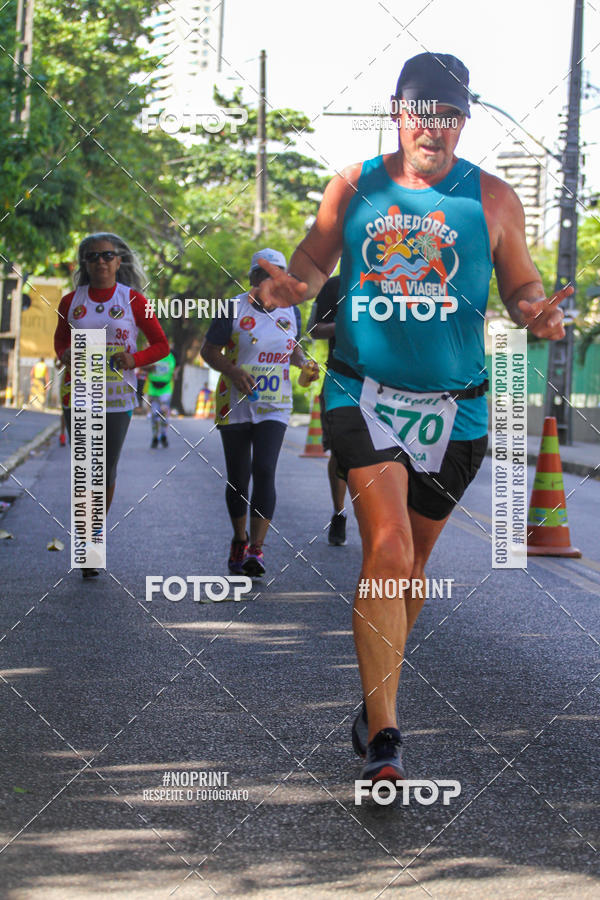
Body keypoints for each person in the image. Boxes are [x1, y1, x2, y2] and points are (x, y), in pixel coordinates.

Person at [250, 53, 570, 786]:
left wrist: (536, 314)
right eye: (423, 111)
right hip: (364, 394)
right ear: (397, 110)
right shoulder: (355, 185)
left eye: (450, 114)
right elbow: (311, 262)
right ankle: (388, 735)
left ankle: (373, 698)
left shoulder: (492, 198)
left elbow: (521, 286)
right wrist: (290, 286)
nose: (435, 127)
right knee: (388, 549)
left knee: (414, 568)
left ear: (464, 119)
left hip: (458, 408)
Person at [54, 232, 169, 578]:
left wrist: (134, 359)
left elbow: (161, 345)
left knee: (106, 468)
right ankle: (87, 542)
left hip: (117, 397)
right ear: (84, 264)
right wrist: (65, 354)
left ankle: (94, 534)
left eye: (107, 255)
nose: (100, 261)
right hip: (78, 393)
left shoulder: (134, 300)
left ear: (119, 261)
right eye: (93, 256)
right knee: (85, 468)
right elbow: (60, 342)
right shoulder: (69, 301)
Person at [201, 248, 319, 577]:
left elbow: (292, 348)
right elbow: (208, 351)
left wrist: (306, 364)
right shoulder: (231, 309)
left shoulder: (291, 311)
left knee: (264, 469)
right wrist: (234, 371)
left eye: (277, 273)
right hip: (234, 403)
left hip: (275, 404)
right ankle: (239, 539)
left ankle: (256, 548)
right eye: (263, 274)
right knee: (239, 477)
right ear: (252, 278)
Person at [308, 275, 348, 545]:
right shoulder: (334, 286)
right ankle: (339, 513)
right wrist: (346, 326)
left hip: (387, 381)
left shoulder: (398, 283)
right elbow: (314, 329)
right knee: (341, 451)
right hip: (342, 378)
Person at [146, 346, 178, 447]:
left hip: (166, 388)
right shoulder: (151, 353)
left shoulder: (171, 355)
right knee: (154, 415)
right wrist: (149, 367)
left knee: (164, 413)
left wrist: (175, 372)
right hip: (153, 389)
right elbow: (141, 366)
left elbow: (178, 365)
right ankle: (155, 437)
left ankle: (163, 435)